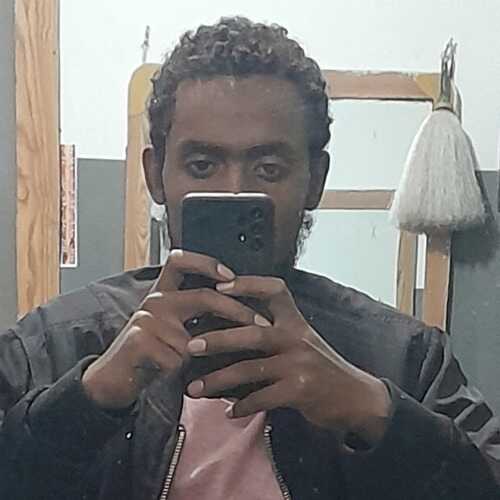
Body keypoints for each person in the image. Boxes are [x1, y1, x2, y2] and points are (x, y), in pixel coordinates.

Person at [1, 16, 499, 500]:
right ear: (156, 175)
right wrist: (88, 399)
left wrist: (371, 410)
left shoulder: (406, 356)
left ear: (315, 181)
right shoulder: (50, 345)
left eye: (268, 168)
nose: (234, 191)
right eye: (202, 165)